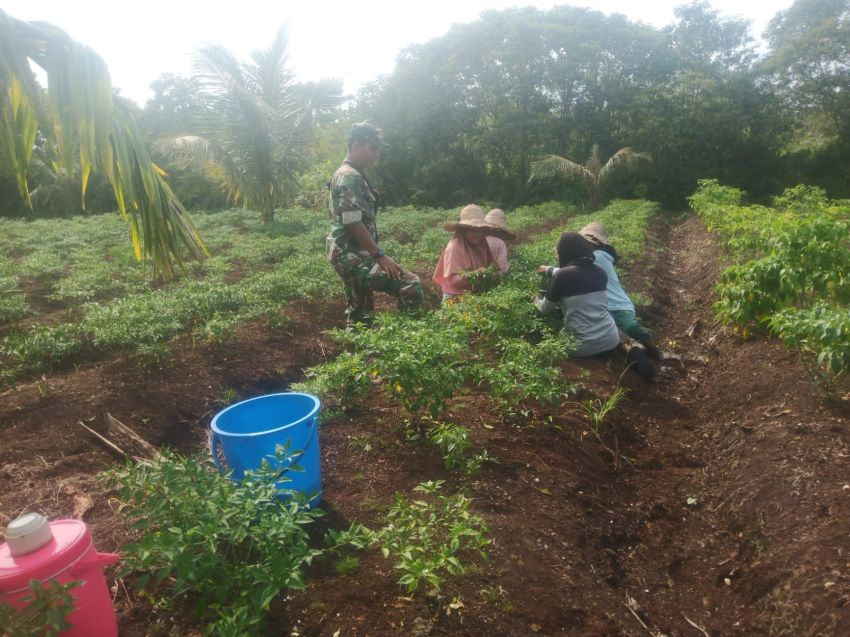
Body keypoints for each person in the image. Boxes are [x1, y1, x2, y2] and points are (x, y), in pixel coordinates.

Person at [327, 123, 423, 325]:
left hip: (350, 254)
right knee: (410, 284)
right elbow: (353, 221)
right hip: (351, 255)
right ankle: (408, 342)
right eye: (373, 148)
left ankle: (356, 353)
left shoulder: (354, 174)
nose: (376, 154)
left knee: (360, 316)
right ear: (356, 145)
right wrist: (379, 255)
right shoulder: (349, 176)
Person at [578, 222, 659, 357]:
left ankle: (655, 351)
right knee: (615, 334)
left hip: (619, 305)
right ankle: (635, 351)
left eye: (586, 242)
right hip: (603, 307)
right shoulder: (589, 258)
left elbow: (576, 270)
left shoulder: (599, 256)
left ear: (595, 243)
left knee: (631, 327)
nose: (585, 245)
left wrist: (552, 270)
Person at [535, 231, 621, 356]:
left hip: (582, 346)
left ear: (566, 251)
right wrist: (549, 269)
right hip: (611, 339)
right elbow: (577, 274)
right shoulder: (600, 272)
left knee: (547, 351)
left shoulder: (562, 276)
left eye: (559, 251)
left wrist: (535, 298)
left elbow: (544, 309)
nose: (557, 254)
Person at [433, 205, 498, 300]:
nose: (477, 234)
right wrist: (475, 274)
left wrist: (493, 274)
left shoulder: (482, 245)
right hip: (455, 297)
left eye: (480, 230)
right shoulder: (454, 248)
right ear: (463, 230)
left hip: (476, 295)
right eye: (472, 230)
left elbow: (495, 267)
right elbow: (453, 281)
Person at [484, 208, 516, 275]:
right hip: (493, 280)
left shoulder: (478, 239)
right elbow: (503, 268)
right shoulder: (499, 243)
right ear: (499, 231)